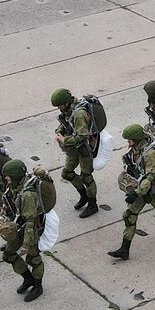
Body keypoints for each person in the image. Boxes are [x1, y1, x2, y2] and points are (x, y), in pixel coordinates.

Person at [108, 124, 155, 260]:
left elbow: (151, 177)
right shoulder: (135, 150)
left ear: (136, 139)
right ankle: (124, 249)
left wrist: (136, 193)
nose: (128, 142)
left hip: (153, 190)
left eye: (130, 139)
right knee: (130, 215)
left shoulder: (150, 154)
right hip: (140, 188)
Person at [0, 159, 48, 303]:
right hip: (18, 227)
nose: (6, 179)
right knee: (8, 255)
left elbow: (30, 222)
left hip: (30, 231)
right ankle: (28, 279)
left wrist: (26, 244)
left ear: (14, 176)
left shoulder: (27, 195)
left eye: (7, 176)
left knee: (34, 259)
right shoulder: (14, 187)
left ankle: (38, 286)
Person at [52, 89, 100, 219]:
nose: (59, 108)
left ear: (66, 102)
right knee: (67, 173)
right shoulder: (69, 111)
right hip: (73, 149)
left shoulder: (79, 114)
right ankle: (83, 195)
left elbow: (82, 136)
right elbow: (65, 123)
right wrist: (59, 131)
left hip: (84, 149)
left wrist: (64, 140)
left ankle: (92, 204)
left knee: (87, 177)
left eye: (60, 105)